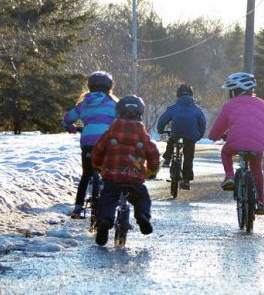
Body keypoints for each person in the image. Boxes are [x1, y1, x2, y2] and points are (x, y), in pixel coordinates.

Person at [92, 94, 161, 246]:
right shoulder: (143, 135)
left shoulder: (111, 132)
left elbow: (98, 150)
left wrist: (97, 165)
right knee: (142, 198)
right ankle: (142, 216)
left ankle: (104, 221)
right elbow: (154, 155)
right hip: (134, 178)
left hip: (112, 177)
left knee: (107, 200)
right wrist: (152, 170)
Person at [207, 72, 264, 215]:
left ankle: (229, 176)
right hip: (257, 145)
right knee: (256, 169)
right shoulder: (261, 104)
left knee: (226, 152)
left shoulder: (229, 105)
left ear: (236, 91)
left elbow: (218, 127)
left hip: (234, 142)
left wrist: (214, 136)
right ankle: (261, 202)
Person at [62, 71, 118, 219]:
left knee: (86, 174)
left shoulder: (84, 104)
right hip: (107, 145)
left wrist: (70, 127)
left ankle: (77, 208)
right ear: (109, 88)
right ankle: (111, 204)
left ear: (90, 87)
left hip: (87, 144)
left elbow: (68, 118)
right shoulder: (114, 104)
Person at [156, 84, 206, 190]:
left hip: (176, 132)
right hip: (191, 134)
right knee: (188, 156)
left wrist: (160, 130)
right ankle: (186, 180)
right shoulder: (196, 109)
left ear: (178, 95)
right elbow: (202, 123)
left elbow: (162, 120)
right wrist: (200, 135)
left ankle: (167, 158)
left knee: (171, 140)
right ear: (191, 95)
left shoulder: (173, 108)